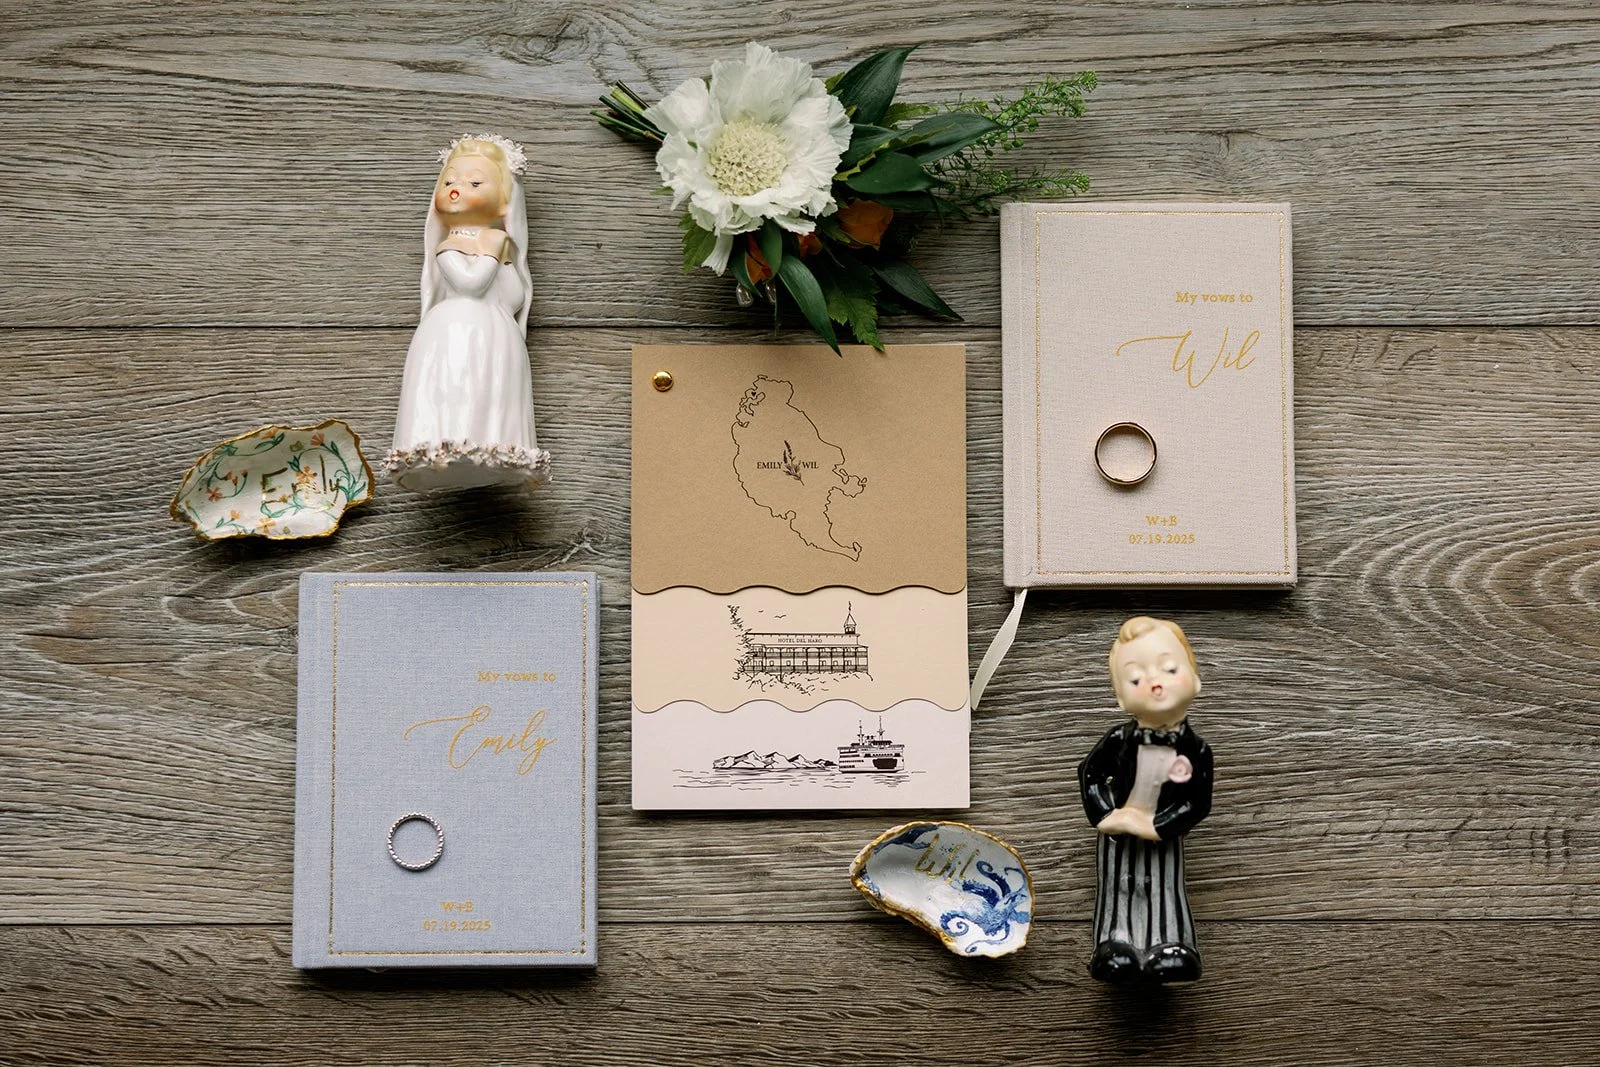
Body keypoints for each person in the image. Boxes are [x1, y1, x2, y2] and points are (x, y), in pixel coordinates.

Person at [387, 134, 552, 492]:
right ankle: (444, 447)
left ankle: (493, 450)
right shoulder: (450, 245)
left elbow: (511, 299)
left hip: (495, 333)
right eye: (449, 182)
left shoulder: (498, 245)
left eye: (474, 183)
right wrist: (490, 252)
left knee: (488, 393)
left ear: (506, 203)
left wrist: (501, 255)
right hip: (456, 328)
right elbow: (469, 285)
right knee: (457, 384)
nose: (456, 188)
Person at [1078, 616, 1214, 983]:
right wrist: (1107, 815)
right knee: (1117, 884)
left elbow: (1197, 802)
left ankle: (1172, 942)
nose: (1155, 683)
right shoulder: (1119, 741)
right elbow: (1089, 773)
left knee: (1165, 885)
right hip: (1118, 834)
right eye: (1136, 678)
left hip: (1163, 838)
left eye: (1170, 669)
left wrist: (1157, 826)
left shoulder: (1196, 750)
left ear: (1195, 679)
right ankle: (1113, 941)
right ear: (1122, 696)